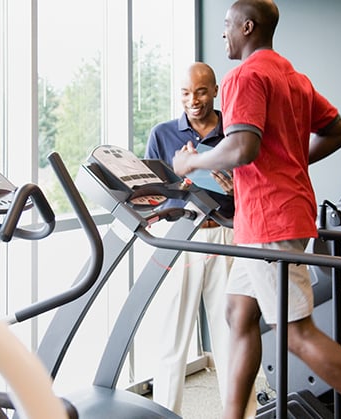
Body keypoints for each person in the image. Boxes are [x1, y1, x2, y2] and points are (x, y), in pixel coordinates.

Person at [172, 1, 341, 418]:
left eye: (227, 26)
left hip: (269, 219)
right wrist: (287, 161)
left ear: (247, 26)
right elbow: (336, 131)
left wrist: (189, 163)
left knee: (297, 333)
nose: (223, 35)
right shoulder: (292, 77)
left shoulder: (246, 76)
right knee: (238, 311)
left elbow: (242, 147)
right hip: (266, 216)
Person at [145, 62, 235, 415]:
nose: (193, 100)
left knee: (231, 336)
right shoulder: (163, 133)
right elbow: (153, 189)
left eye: (200, 91)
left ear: (214, 91)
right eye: (185, 92)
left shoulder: (235, 132)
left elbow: (254, 185)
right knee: (171, 336)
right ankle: (166, 412)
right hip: (181, 236)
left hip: (226, 236)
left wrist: (234, 187)